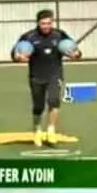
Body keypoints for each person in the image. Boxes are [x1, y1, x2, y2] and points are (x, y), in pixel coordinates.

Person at [11, 9, 82, 147]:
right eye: (43, 23)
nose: (46, 26)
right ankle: (37, 130)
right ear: (38, 23)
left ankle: (51, 130)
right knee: (38, 106)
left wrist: (76, 55)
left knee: (53, 101)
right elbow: (14, 54)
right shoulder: (28, 37)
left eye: (49, 23)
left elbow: (76, 51)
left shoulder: (59, 35)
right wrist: (18, 57)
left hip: (54, 74)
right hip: (36, 75)